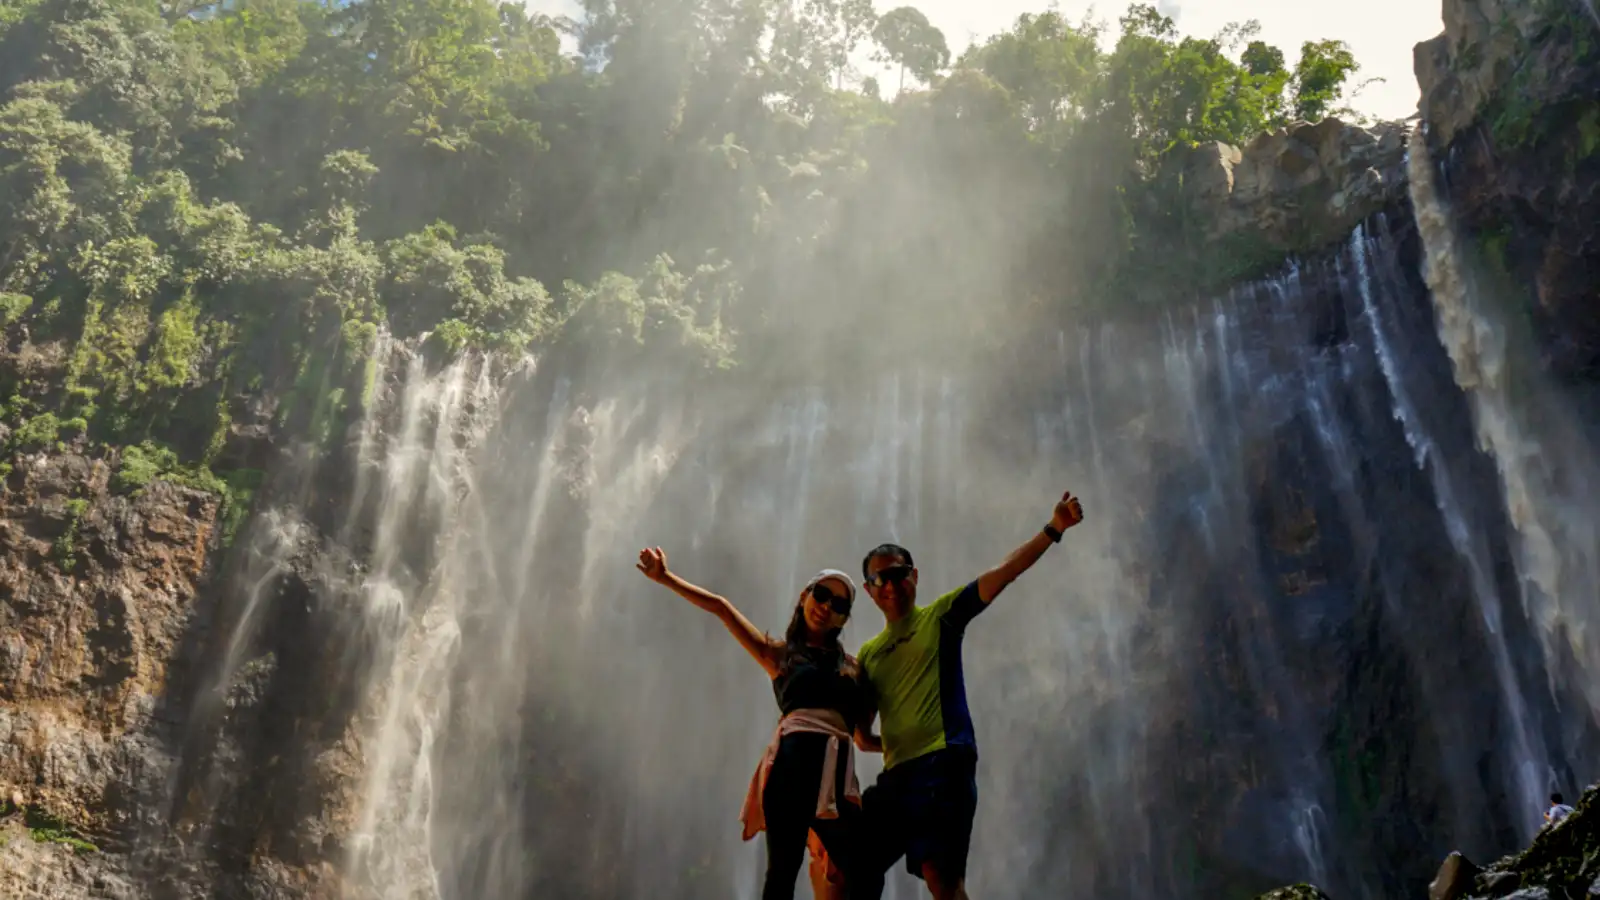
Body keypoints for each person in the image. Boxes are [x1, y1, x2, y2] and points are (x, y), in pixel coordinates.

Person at [853, 490, 1086, 900]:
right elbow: (860, 734)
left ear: (914, 576)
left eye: (898, 573)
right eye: (879, 579)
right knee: (850, 862)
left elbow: (1004, 573)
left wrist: (1053, 529)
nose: (890, 584)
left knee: (941, 879)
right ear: (869, 591)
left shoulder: (941, 617)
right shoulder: (869, 655)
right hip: (898, 777)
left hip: (944, 764)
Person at [635, 547, 880, 900]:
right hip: (791, 769)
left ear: (843, 620)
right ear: (804, 597)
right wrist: (665, 578)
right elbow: (720, 607)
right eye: (822, 595)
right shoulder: (780, 655)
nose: (827, 607)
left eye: (839, 605)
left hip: (836, 775)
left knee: (863, 872)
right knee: (782, 872)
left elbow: (862, 737)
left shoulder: (856, 669)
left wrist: (914, 747)